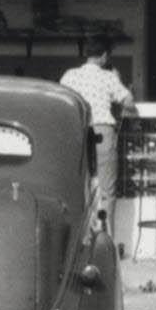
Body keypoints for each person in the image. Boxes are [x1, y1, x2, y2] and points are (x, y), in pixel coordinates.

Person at [58, 41, 135, 220]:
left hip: (78, 132)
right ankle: (106, 241)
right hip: (103, 131)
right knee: (107, 190)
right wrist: (119, 80)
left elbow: (62, 99)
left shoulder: (70, 75)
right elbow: (128, 102)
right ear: (104, 56)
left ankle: (82, 242)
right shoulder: (108, 77)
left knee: (79, 188)